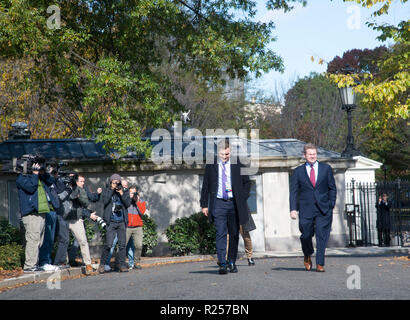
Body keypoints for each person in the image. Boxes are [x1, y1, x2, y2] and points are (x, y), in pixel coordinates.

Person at [200, 139, 251, 274]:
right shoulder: (211, 165)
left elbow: (247, 183)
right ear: (218, 153)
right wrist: (204, 204)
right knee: (220, 233)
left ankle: (231, 261)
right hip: (218, 203)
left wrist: (242, 198)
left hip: (234, 204)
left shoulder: (238, 163)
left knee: (234, 234)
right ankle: (222, 263)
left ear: (230, 152)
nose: (225, 157)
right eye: (222, 154)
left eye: (227, 154)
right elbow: (205, 186)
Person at [289, 143, 337, 273]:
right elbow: (293, 191)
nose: (312, 156)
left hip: (324, 209)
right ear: (304, 155)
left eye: (314, 154)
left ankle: (320, 263)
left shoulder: (326, 169)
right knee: (306, 235)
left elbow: (332, 188)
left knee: (322, 236)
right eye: (310, 154)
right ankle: (307, 254)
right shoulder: (298, 171)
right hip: (306, 209)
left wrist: (331, 204)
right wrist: (293, 209)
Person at [16, 159, 60, 273]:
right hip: (31, 213)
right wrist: (35, 175)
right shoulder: (21, 178)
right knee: (33, 239)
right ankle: (29, 266)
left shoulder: (39, 177)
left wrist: (42, 172)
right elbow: (31, 188)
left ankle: (37, 263)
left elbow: (51, 181)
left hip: (41, 212)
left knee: (39, 240)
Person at [54, 174, 98, 275]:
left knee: (83, 241)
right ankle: (63, 262)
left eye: (83, 182)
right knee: (64, 241)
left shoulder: (81, 189)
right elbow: (59, 199)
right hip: (64, 218)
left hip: (76, 219)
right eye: (81, 181)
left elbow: (86, 203)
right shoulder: (63, 187)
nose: (83, 183)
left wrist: (78, 195)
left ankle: (88, 264)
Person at [98, 174, 131, 273]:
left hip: (121, 222)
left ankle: (122, 265)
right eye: (114, 182)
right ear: (110, 182)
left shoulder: (124, 191)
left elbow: (128, 204)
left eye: (118, 182)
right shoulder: (107, 191)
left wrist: (121, 193)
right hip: (111, 222)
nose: (116, 184)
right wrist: (112, 190)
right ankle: (102, 264)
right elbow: (104, 201)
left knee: (122, 245)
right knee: (108, 244)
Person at [125, 185, 146, 269]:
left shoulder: (141, 201)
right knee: (122, 245)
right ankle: (119, 262)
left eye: (134, 192)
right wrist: (129, 199)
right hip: (127, 226)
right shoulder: (126, 201)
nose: (132, 194)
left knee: (139, 245)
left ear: (137, 193)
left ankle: (136, 262)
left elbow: (142, 212)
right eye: (131, 192)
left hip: (138, 227)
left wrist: (137, 201)